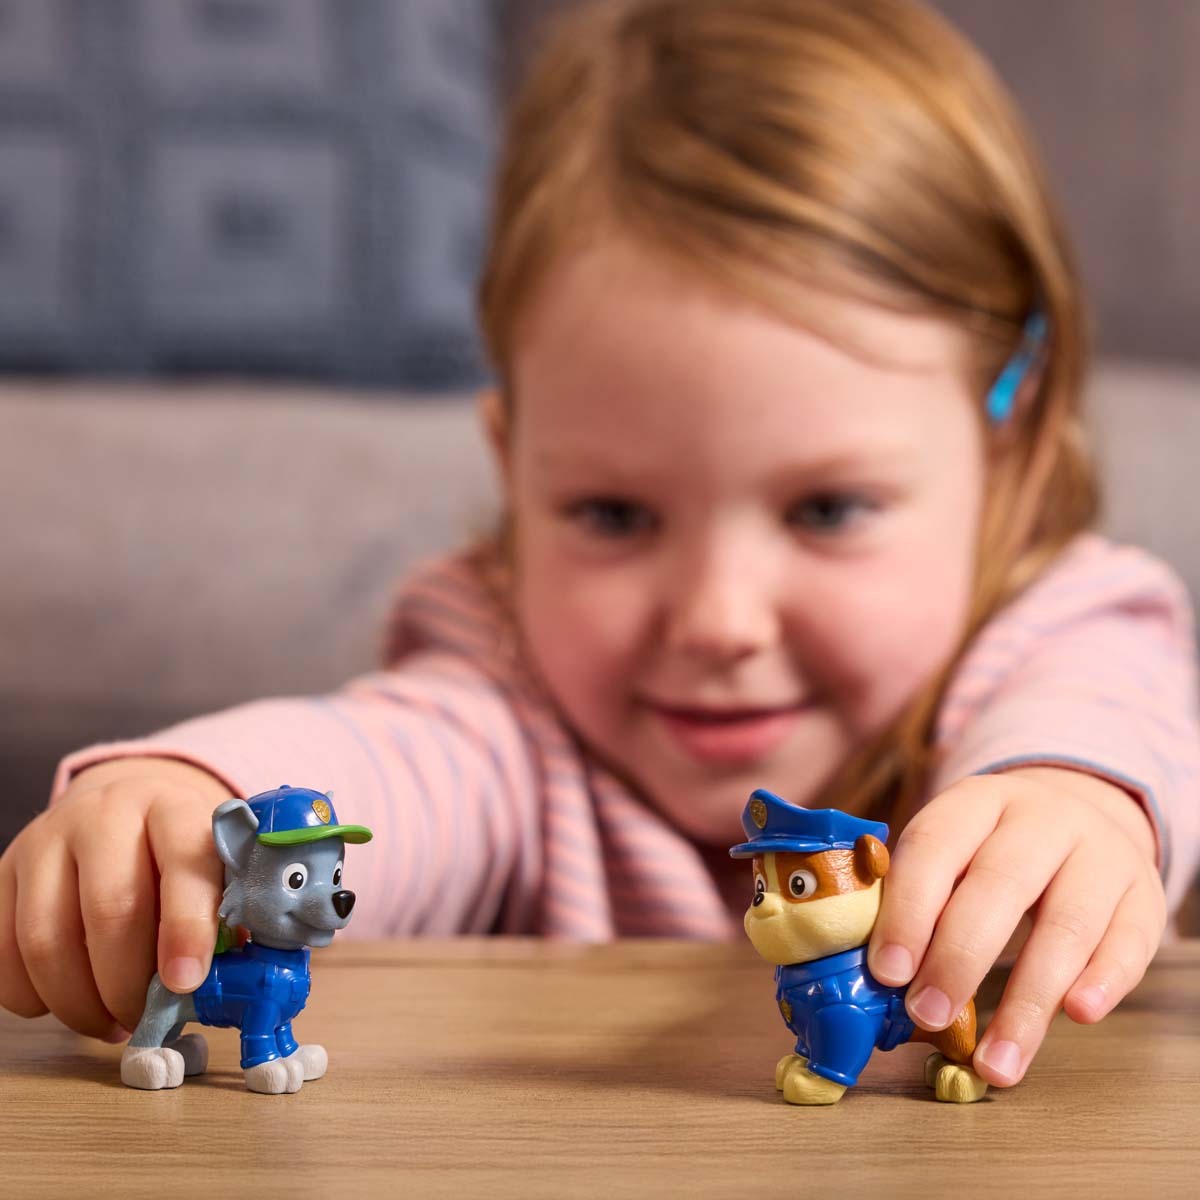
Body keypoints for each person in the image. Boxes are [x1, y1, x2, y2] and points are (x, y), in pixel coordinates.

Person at [1, 0, 1196, 1093]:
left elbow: (1100, 722)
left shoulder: (1058, 630)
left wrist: (1073, 803)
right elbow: (396, 755)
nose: (718, 620)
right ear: (513, 463)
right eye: (614, 517)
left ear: (1009, 451)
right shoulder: (514, 695)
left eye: (828, 510)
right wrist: (198, 797)